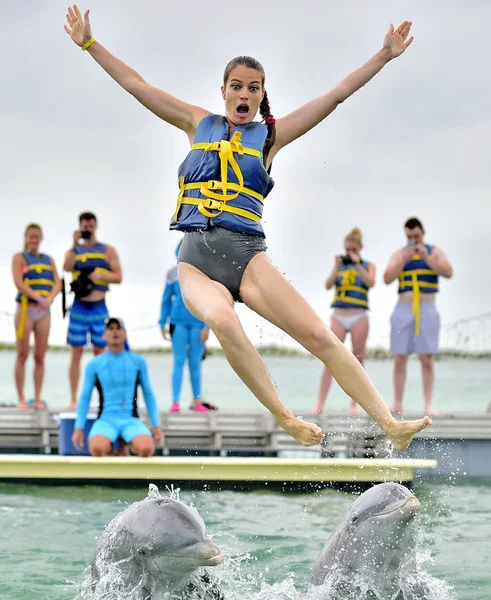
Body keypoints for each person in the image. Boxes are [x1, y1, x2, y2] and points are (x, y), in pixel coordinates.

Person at [64, 8, 431, 450]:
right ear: (223, 91)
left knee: (320, 335)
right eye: (236, 86)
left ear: (261, 96)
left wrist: (384, 56)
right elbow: (135, 84)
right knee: (222, 318)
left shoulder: (271, 137)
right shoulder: (196, 122)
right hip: (195, 261)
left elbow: (334, 96)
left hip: (247, 255)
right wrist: (89, 44)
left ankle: (390, 423)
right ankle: (283, 416)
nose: (244, 94)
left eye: (253, 89)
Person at [384, 217, 453, 416]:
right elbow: (387, 278)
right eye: (409, 237)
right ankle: (397, 403)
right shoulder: (399, 254)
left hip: (427, 306)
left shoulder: (434, 251)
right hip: (403, 306)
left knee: (426, 357)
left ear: (423, 233)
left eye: (416, 236)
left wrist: (427, 259)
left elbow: (448, 272)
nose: (413, 240)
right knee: (399, 357)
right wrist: (403, 260)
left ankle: (428, 404)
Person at [72, 317, 163, 457]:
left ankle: (125, 447)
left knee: (146, 449)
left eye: (118, 329)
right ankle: (114, 452)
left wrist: (156, 425)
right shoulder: (95, 364)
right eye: (111, 329)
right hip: (106, 420)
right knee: (97, 448)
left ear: (125, 334)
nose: (115, 332)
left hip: (130, 420)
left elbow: (148, 394)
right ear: (104, 335)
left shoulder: (138, 361)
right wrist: (79, 428)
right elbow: (85, 397)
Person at [63, 211, 122, 410]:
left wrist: (101, 276)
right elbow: (66, 267)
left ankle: (102, 398)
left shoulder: (108, 250)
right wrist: (74, 244)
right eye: (84, 226)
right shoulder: (74, 251)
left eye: (90, 226)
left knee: (100, 352)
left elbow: (119, 276)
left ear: (95, 226)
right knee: (76, 353)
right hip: (79, 306)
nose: (88, 229)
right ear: (80, 227)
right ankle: (73, 399)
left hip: (99, 306)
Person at [313, 227, 375, 415]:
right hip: (339, 315)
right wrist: (336, 267)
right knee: (330, 358)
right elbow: (328, 284)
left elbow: (371, 282)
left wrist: (357, 264)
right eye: (347, 250)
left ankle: (354, 405)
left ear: (360, 248)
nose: (350, 253)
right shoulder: (341, 266)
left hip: (359, 316)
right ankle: (319, 405)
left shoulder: (367, 265)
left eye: (353, 250)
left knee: (357, 361)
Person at [12, 224, 62, 410]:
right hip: (26, 309)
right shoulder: (20, 257)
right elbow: (18, 282)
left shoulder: (48, 259)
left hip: (44, 311)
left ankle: (38, 398)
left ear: (41, 238)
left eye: (37, 236)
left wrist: (49, 299)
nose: (34, 240)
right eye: (31, 236)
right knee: (22, 354)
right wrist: (38, 298)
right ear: (26, 237)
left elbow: (58, 283)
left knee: (40, 356)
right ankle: (21, 399)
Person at [159, 241, 210, 413]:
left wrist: (206, 326)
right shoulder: (172, 274)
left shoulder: (204, 272)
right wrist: (162, 322)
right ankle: (175, 402)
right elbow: (166, 300)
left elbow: (209, 300)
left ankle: (197, 401)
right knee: (178, 362)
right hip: (177, 322)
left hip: (198, 322)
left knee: (195, 363)